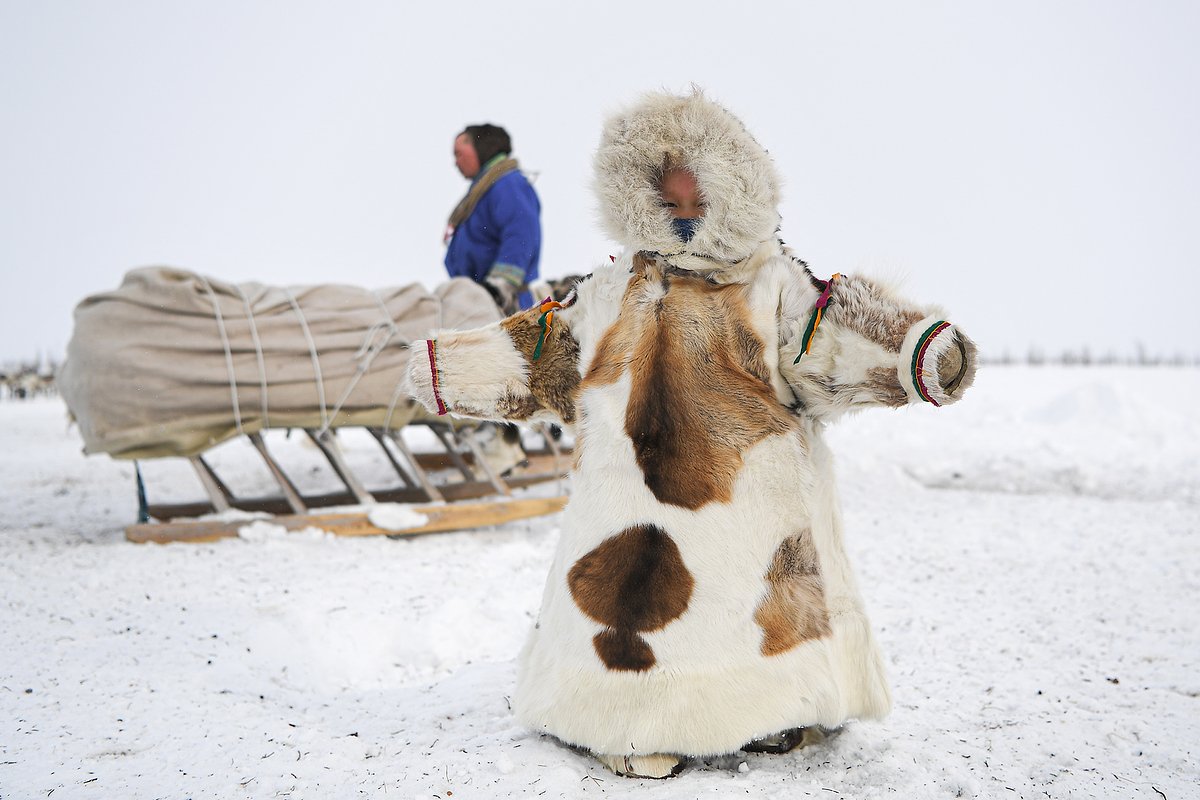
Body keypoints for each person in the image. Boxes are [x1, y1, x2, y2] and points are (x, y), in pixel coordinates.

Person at [408, 90, 976, 779]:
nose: (682, 221)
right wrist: (456, 370)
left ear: (733, 194)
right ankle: (625, 717)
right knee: (635, 612)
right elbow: (547, 351)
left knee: (758, 602)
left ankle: (778, 707)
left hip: (750, 501)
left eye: (696, 205)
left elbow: (829, 336)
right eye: (667, 206)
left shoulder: (771, 281)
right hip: (628, 506)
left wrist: (914, 352)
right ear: (637, 201)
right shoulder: (615, 287)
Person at [445, 124, 541, 315]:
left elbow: (521, 231)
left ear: (481, 147)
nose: (456, 162)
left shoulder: (507, 184)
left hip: (502, 306)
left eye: (459, 153)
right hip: (476, 302)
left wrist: (500, 286)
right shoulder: (483, 191)